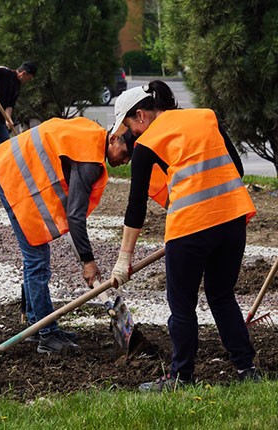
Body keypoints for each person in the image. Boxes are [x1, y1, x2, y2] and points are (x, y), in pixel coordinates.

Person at [109, 81, 259, 392]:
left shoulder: (147, 143)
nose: (129, 134)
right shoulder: (205, 116)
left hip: (190, 227)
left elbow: (135, 207)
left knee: (182, 306)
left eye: (127, 126)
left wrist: (124, 258)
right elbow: (238, 168)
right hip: (232, 220)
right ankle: (247, 369)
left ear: (140, 115)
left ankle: (182, 377)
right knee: (222, 296)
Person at [0, 116, 132, 353]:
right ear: (114, 139)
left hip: (15, 171)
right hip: (13, 179)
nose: (125, 161)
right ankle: (47, 335)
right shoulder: (89, 162)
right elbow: (74, 215)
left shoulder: (93, 137)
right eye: (125, 153)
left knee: (37, 256)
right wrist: (88, 261)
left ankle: (38, 325)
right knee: (36, 260)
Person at [0, 61, 37, 180]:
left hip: (0, 118)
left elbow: (9, 106)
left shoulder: (17, 86)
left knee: (7, 145)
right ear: (24, 74)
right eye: (29, 78)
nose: (28, 81)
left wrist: (8, 119)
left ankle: (9, 169)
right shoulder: (6, 73)